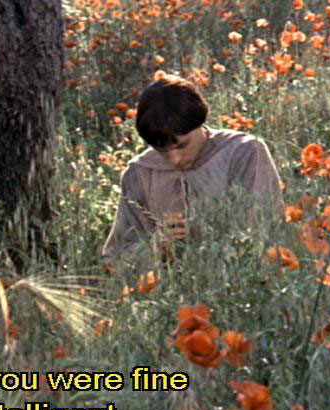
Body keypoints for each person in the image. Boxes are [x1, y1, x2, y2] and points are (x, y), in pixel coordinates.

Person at [102, 74, 283, 271]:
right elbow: (116, 257)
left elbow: (261, 232)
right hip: (167, 287)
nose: (175, 159)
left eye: (182, 145)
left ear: (199, 123)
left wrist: (204, 238)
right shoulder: (139, 172)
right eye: (162, 150)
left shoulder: (242, 152)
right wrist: (158, 247)